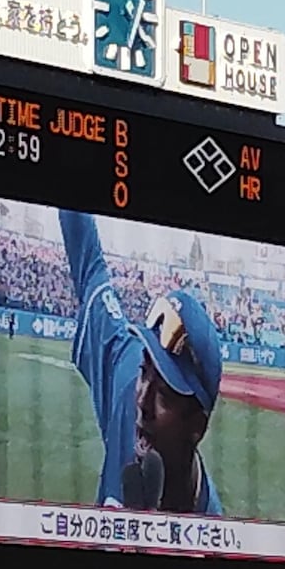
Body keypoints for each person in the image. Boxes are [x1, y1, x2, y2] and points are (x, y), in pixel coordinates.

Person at [59, 207, 226, 512]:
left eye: (163, 394)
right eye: (144, 371)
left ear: (197, 427)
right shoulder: (128, 377)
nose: (142, 400)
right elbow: (90, 267)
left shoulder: (208, 538)